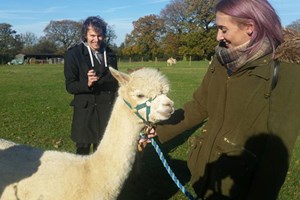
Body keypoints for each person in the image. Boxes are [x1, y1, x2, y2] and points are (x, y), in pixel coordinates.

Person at [140, 0, 300, 199]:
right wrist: (160, 130)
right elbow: (199, 106)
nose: (218, 37)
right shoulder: (221, 59)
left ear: (249, 27)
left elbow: (277, 151)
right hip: (206, 173)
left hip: (239, 185)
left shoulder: (287, 71)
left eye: (223, 29)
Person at [64, 16, 119, 155]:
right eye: (92, 35)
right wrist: (87, 83)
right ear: (85, 35)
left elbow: (115, 81)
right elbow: (70, 86)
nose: (96, 39)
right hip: (86, 111)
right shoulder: (74, 54)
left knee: (103, 152)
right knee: (82, 153)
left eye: (100, 35)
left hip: (107, 109)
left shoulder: (110, 54)